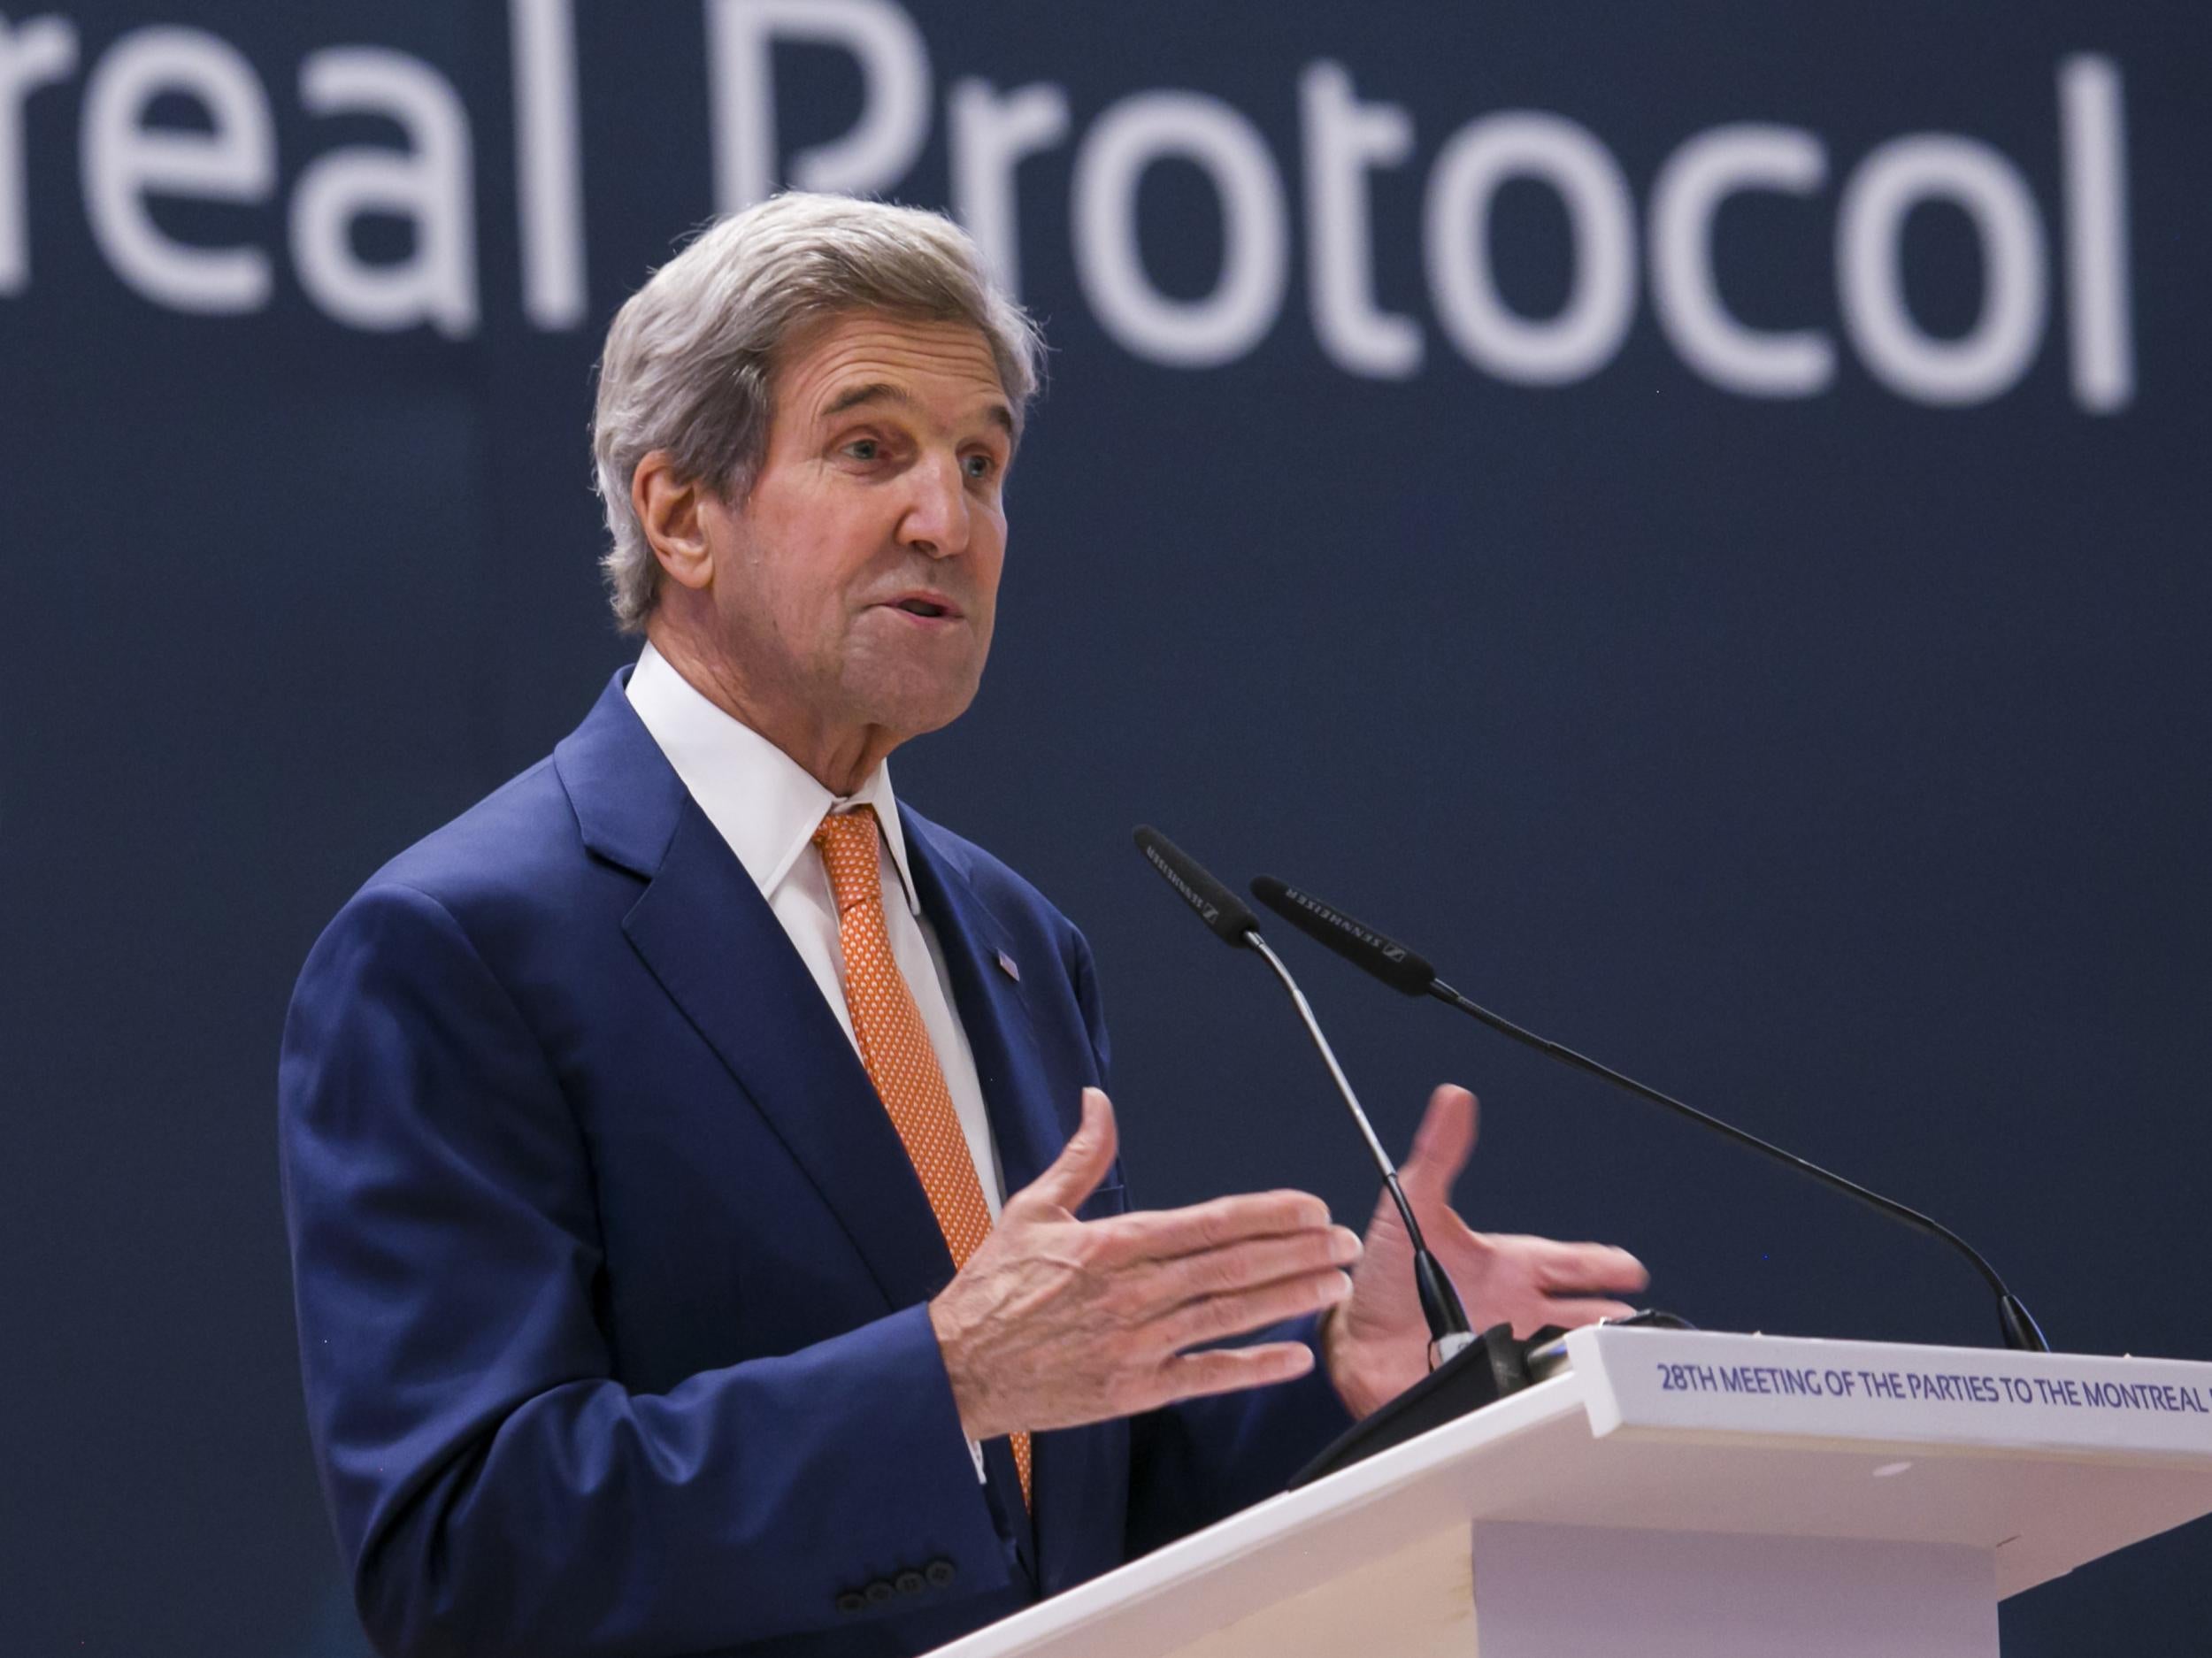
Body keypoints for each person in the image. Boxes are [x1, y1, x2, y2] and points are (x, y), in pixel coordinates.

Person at [277, 192, 1647, 1658]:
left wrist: (1360, 1379)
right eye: (870, 448)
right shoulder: (461, 944)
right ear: (681, 513)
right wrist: (937, 1385)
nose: (950, 519)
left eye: (981, 462)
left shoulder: (1012, 934)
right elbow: (465, 1555)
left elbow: (1070, 1506)